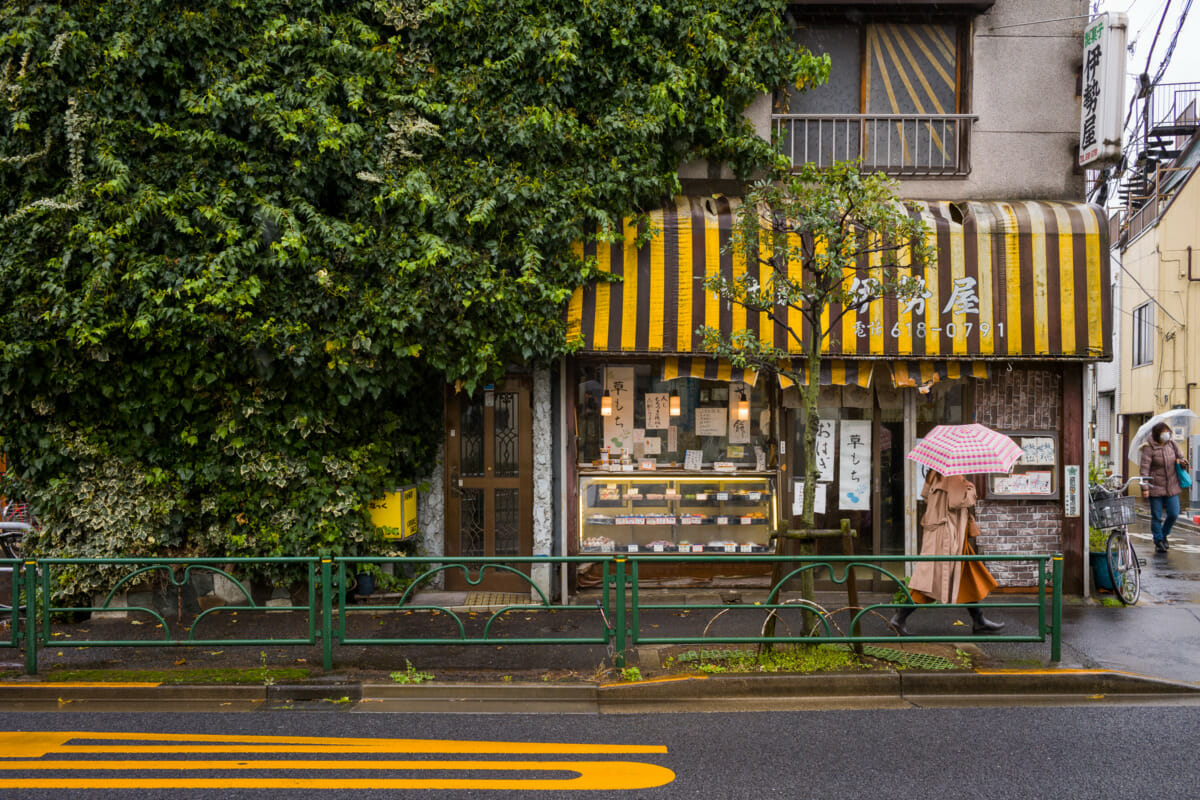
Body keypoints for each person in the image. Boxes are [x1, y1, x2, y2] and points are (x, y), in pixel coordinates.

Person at [889, 470, 1005, 635]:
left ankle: (979, 620)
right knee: (929, 580)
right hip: (948, 537)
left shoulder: (933, 474)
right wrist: (971, 488)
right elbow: (959, 501)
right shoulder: (953, 476)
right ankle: (899, 619)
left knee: (966, 575)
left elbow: (926, 496)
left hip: (941, 534)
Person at [1139, 421, 1188, 553]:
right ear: (1157, 434)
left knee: (1173, 513)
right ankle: (1159, 540)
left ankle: (1164, 534)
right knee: (1156, 516)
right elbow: (1144, 470)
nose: (1167, 435)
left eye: (1168, 432)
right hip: (1155, 487)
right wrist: (1145, 488)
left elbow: (1182, 458)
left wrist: (1183, 462)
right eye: (1163, 433)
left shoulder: (1172, 444)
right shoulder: (1148, 448)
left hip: (1172, 487)